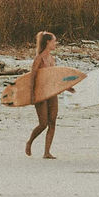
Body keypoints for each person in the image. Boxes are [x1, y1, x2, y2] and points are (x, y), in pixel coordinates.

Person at [26, 31, 60, 159]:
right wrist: (32, 95)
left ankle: (47, 152)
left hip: (52, 93)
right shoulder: (39, 58)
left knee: (52, 122)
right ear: (47, 42)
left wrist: (67, 87)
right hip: (41, 93)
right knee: (43, 123)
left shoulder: (52, 59)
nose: (55, 43)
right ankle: (30, 142)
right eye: (54, 41)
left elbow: (55, 77)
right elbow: (32, 77)